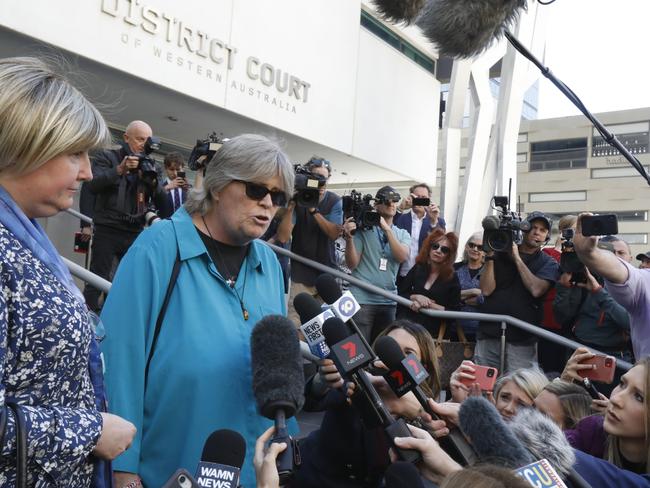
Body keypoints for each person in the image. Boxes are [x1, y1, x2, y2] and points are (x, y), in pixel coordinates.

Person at [100, 134, 295, 488]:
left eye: (278, 196)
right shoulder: (157, 248)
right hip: (171, 470)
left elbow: (276, 364)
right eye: (256, 189)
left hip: (256, 473)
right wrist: (122, 469)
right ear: (219, 186)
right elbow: (119, 361)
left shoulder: (268, 261)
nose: (268, 203)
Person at [0, 56, 135, 487]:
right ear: (27, 143)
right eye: (74, 152)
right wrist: (89, 431)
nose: (88, 172)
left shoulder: (24, 238)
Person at [81, 120, 168, 312]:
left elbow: (165, 205)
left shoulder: (151, 166)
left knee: (128, 281)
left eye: (147, 140)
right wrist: (119, 170)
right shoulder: (108, 157)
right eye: (139, 139)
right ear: (126, 138)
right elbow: (92, 186)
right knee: (98, 278)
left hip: (135, 231)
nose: (143, 144)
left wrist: (153, 183)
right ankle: (88, 320)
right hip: (107, 229)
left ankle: (113, 318)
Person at [477, 211, 561, 372]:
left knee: (518, 389)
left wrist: (516, 258)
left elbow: (536, 290)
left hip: (523, 339)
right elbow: (486, 290)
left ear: (547, 237)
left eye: (542, 230)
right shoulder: (499, 252)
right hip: (489, 333)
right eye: (533, 227)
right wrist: (490, 257)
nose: (537, 232)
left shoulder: (548, 263)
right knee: (483, 386)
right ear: (523, 229)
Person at [573, 213, 650, 360]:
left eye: (621, 253)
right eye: (611, 252)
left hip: (616, 354)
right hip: (583, 346)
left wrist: (598, 292)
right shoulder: (642, 281)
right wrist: (589, 254)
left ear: (630, 258)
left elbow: (624, 321)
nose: (615, 256)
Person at [277, 156, 342, 326]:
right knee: (296, 324)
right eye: (316, 178)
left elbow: (334, 234)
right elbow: (283, 237)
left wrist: (313, 210)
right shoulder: (299, 199)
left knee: (323, 328)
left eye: (324, 179)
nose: (321, 183)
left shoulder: (334, 201)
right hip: (301, 274)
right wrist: (292, 205)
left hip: (326, 275)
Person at [562, 353, 650, 475]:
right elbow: (545, 448)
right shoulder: (591, 430)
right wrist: (564, 381)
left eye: (639, 397)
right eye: (622, 384)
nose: (615, 399)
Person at [343, 186, 411, 341]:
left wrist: (387, 230)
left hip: (388, 300)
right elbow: (352, 264)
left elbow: (401, 256)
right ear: (376, 205)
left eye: (395, 200)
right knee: (358, 351)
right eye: (387, 201)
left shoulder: (402, 233)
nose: (392, 204)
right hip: (361, 298)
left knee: (382, 353)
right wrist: (349, 238)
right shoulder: (363, 230)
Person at [397, 229, 461, 337]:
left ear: (449, 255)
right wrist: (416, 297)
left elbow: (454, 312)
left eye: (444, 249)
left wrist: (429, 305)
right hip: (407, 327)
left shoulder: (452, 278)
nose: (438, 251)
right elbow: (402, 293)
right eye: (435, 246)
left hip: (432, 334)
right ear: (429, 248)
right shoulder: (418, 268)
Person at [395, 183, 446, 284]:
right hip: (401, 274)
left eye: (423, 198)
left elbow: (442, 246)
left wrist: (433, 222)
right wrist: (400, 208)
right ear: (410, 197)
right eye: (416, 197)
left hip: (425, 276)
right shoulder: (400, 218)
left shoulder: (438, 221)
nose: (419, 200)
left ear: (429, 200)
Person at [453, 231, 485, 341]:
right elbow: (447, 295)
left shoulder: (489, 271)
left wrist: (462, 299)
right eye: (472, 245)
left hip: (479, 330)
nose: (475, 249)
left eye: (480, 247)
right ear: (466, 247)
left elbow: (489, 298)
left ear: (485, 251)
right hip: (454, 327)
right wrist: (473, 291)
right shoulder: (454, 268)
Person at [159, 151, 189, 218]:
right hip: (165, 225)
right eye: (171, 169)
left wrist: (188, 191)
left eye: (178, 169)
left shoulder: (188, 188)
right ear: (166, 168)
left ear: (183, 168)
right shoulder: (159, 187)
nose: (175, 173)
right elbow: (152, 204)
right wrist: (166, 188)